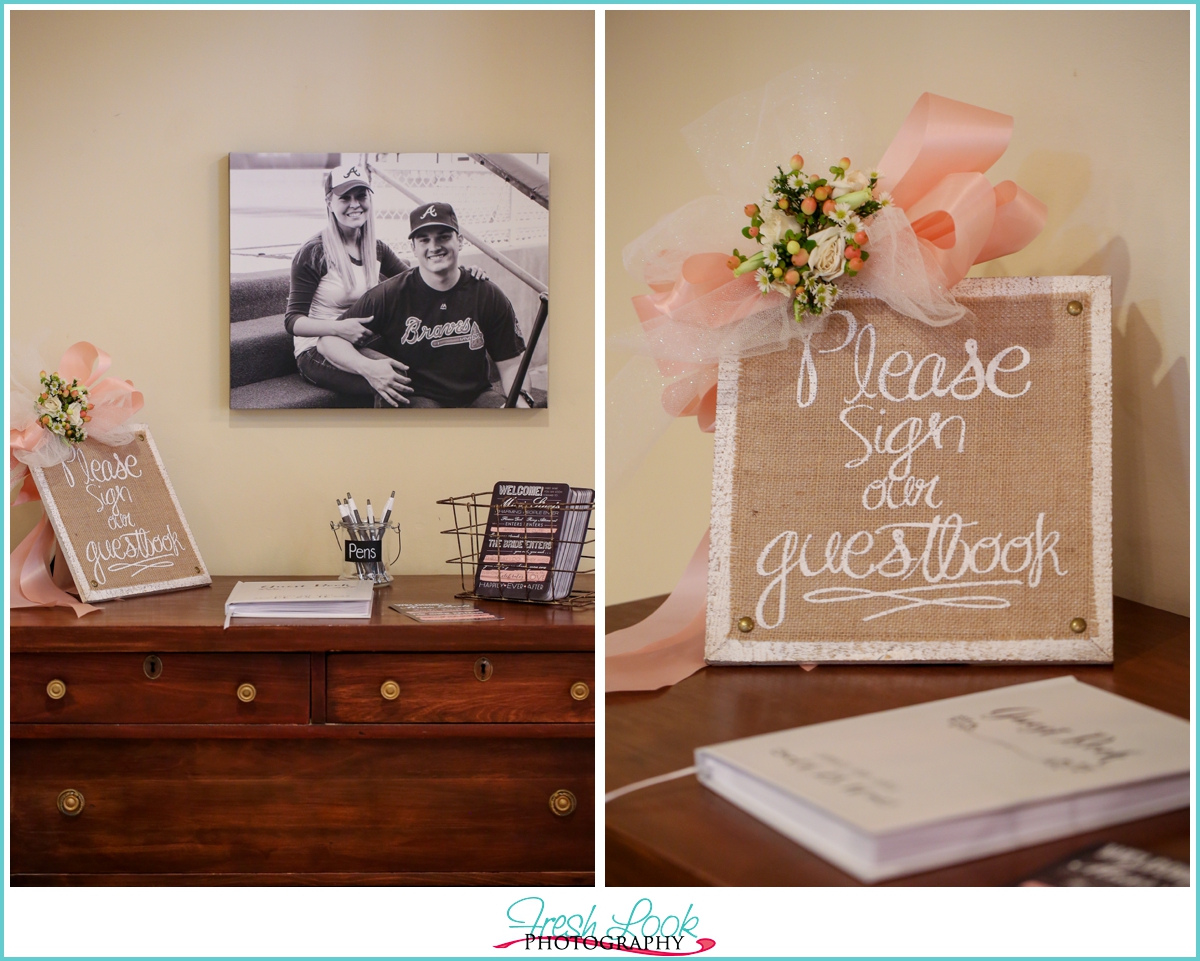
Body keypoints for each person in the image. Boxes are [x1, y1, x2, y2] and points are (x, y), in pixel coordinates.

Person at [284, 166, 488, 401]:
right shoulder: (313, 252)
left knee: (427, 363)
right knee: (396, 380)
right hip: (319, 348)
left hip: (363, 339)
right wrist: (339, 328)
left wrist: (462, 275)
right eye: (345, 198)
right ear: (329, 202)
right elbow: (293, 321)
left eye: (361, 196)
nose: (355, 204)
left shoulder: (377, 248)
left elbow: (419, 283)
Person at [316, 202, 529, 408]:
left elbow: (511, 361)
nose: (434, 247)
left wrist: (521, 399)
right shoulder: (390, 294)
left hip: (475, 395)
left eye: (443, 237)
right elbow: (328, 341)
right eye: (424, 240)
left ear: (460, 241)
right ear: (413, 248)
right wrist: (367, 367)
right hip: (419, 397)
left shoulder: (486, 293)